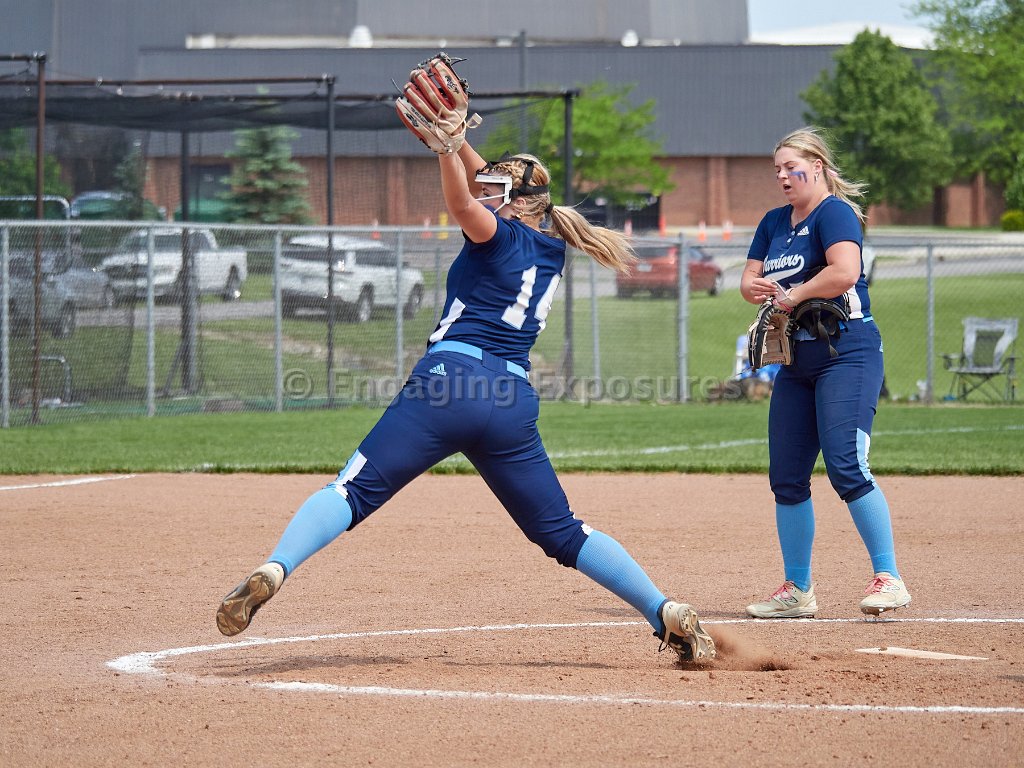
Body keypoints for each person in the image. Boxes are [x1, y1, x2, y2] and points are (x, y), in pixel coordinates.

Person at [215, 138, 716, 664]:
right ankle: (662, 610)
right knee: (563, 532)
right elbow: (489, 184)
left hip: (449, 383)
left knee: (351, 491)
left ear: (516, 202)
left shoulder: (497, 233)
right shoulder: (551, 246)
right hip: (511, 399)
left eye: (497, 190)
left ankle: (276, 566)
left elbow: (460, 203)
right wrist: (459, 142)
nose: (485, 193)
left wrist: (443, 153)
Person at [740, 126, 911, 618]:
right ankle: (798, 590)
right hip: (797, 361)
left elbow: (845, 272)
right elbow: (749, 279)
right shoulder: (774, 221)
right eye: (777, 169)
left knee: (846, 465)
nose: (782, 177)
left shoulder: (834, 212)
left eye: (791, 168)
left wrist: (791, 295)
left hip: (847, 352)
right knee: (787, 476)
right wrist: (755, 288)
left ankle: (889, 578)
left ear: (816, 167)